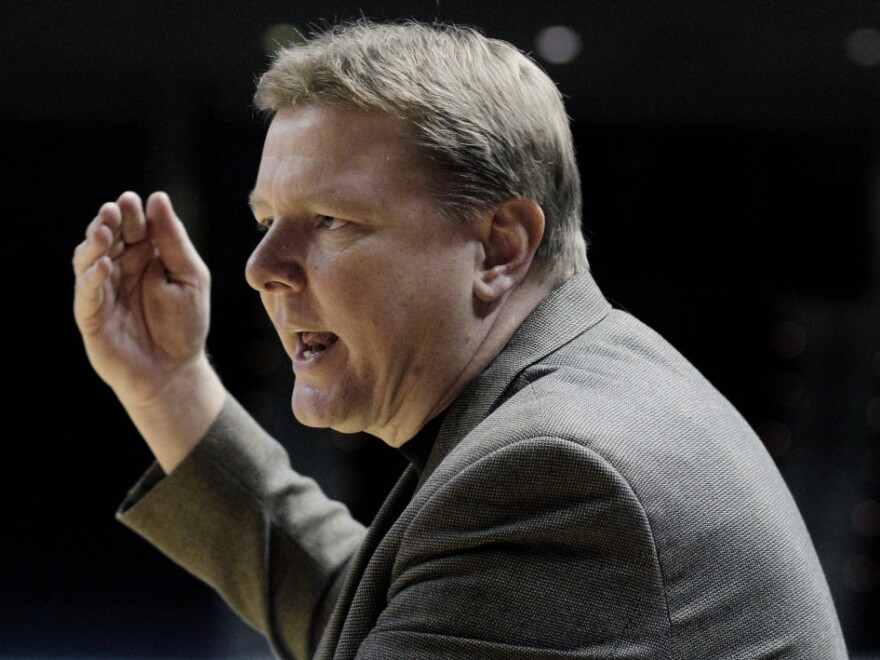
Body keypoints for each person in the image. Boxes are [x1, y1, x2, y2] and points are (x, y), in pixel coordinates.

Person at [72, 19, 848, 660]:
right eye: (266, 221)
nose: (260, 268)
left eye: (331, 221)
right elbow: (367, 617)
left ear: (500, 248)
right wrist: (168, 385)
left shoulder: (560, 474)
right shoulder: (592, 385)